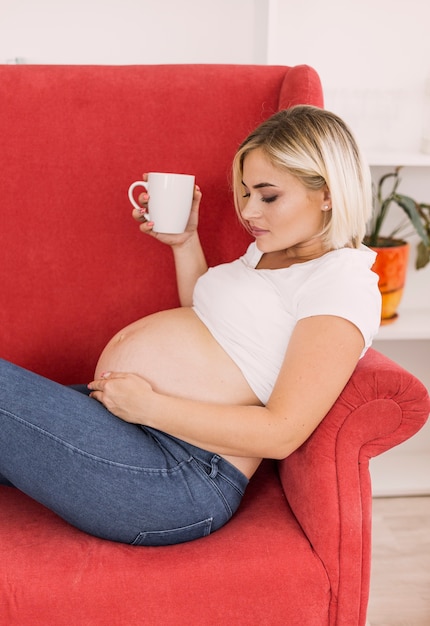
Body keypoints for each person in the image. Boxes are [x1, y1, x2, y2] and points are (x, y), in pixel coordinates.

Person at [0, 105, 381, 546]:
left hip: (178, 474)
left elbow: (282, 432)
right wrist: (185, 242)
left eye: (268, 195)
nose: (249, 212)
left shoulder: (342, 284)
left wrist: (148, 407)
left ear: (329, 193)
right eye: (244, 193)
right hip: (131, 429)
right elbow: (214, 327)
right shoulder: (271, 252)